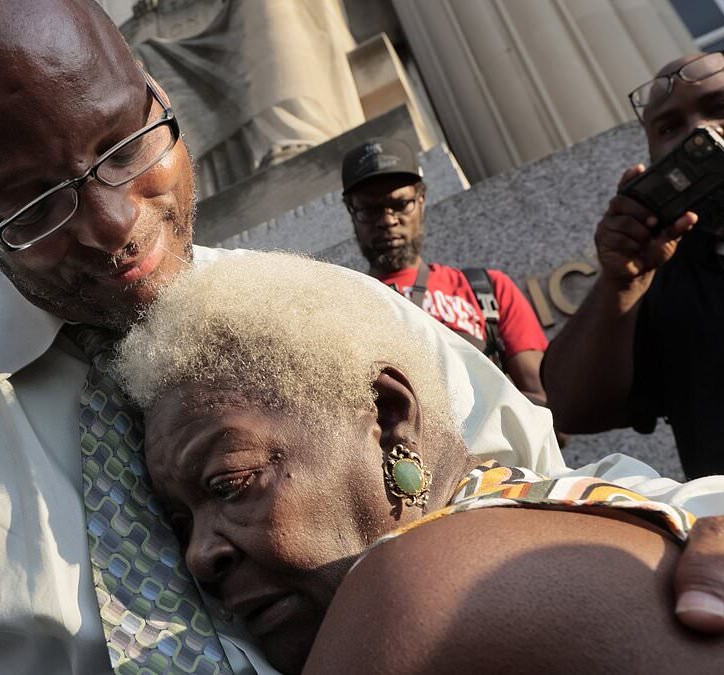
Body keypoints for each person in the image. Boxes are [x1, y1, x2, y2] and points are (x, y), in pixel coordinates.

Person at [0, 2, 724, 672]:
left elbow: (542, 487)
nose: (114, 224)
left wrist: (701, 522)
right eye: (30, 206)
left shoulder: (343, 316)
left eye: (124, 147)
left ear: (161, 101)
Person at [115, 251, 724, 674]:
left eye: (232, 484)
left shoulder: (415, 585)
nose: (199, 556)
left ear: (385, 415)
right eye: (178, 521)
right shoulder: (587, 518)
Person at [543, 52, 724, 479]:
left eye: (719, 109)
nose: (697, 132)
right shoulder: (661, 278)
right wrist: (620, 285)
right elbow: (572, 407)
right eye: (669, 127)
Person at [342, 137, 550, 404]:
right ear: (351, 211)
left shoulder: (488, 290)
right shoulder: (347, 310)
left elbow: (550, 412)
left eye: (400, 204)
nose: (388, 220)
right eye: (370, 210)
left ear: (422, 199)